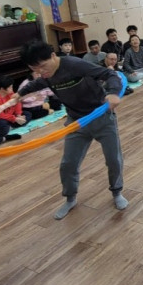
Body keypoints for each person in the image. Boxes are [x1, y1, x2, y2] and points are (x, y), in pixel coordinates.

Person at [17, 41, 128, 220]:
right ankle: (70, 198)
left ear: (53, 56)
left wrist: (113, 92)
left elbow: (109, 74)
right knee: (68, 164)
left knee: (113, 159)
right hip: (76, 122)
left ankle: (117, 192)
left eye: (43, 66)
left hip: (101, 117)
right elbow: (37, 83)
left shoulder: (74, 64)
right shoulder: (46, 74)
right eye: (35, 69)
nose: (41, 72)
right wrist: (19, 94)